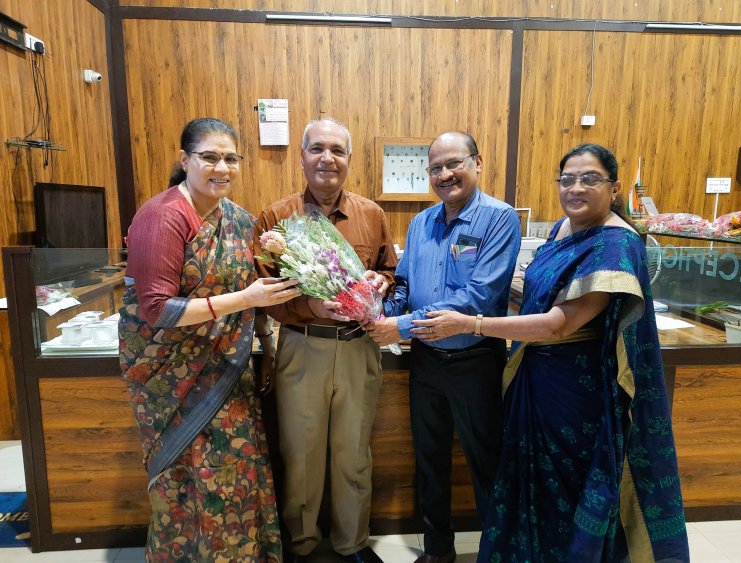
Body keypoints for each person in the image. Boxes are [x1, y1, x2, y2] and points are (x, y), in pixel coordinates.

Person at [413, 144, 690, 562]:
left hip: (577, 397)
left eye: (590, 179)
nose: (576, 188)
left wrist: (472, 321)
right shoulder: (564, 228)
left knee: (570, 488)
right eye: (568, 179)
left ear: (614, 188)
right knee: (534, 485)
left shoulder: (615, 244)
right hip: (535, 382)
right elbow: (532, 295)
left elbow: (559, 322)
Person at [120, 117, 301, 562]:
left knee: (234, 470)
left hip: (227, 369)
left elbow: (253, 291)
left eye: (230, 158)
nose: (222, 167)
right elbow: (156, 309)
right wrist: (244, 299)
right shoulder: (162, 217)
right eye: (210, 157)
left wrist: (267, 341)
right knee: (188, 476)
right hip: (170, 377)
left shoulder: (237, 219)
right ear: (185, 161)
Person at [366, 132, 521, 563]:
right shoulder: (421, 224)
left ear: (477, 161)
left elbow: (479, 296)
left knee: (486, 463)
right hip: (427, 363)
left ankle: (497, 553)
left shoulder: (499, 218)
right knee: (428, 462)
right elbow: (408, 287)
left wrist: (402, 325)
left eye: (454, 163)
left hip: (476, 362)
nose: (445, 174)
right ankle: (437, 553)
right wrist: (379, 307)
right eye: (435, 167)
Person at [253, 118, 398, 563]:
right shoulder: (277, 218)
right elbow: (264, 294)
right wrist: (309, 308)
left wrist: (381, 282)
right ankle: (301, 543)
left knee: (354, 452)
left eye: (337, 150)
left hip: (359, 347)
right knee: (301, 452)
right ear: (302, 157)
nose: (327, 158)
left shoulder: (372, 214)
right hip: (302, 346)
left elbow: (393, 273)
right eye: (317, 149)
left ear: (349, 160)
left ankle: (352, 542)